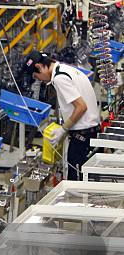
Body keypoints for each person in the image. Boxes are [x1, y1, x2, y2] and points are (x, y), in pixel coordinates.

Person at [23, 51, 101, 180]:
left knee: (77, 183)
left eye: (36, 76)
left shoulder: (60, 78)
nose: (39, 80)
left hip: (83, 137)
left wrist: (63, 129)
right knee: (86, 180)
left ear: (39, 66)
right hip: (90, 133)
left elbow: (81, 107)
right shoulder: (66, 69)